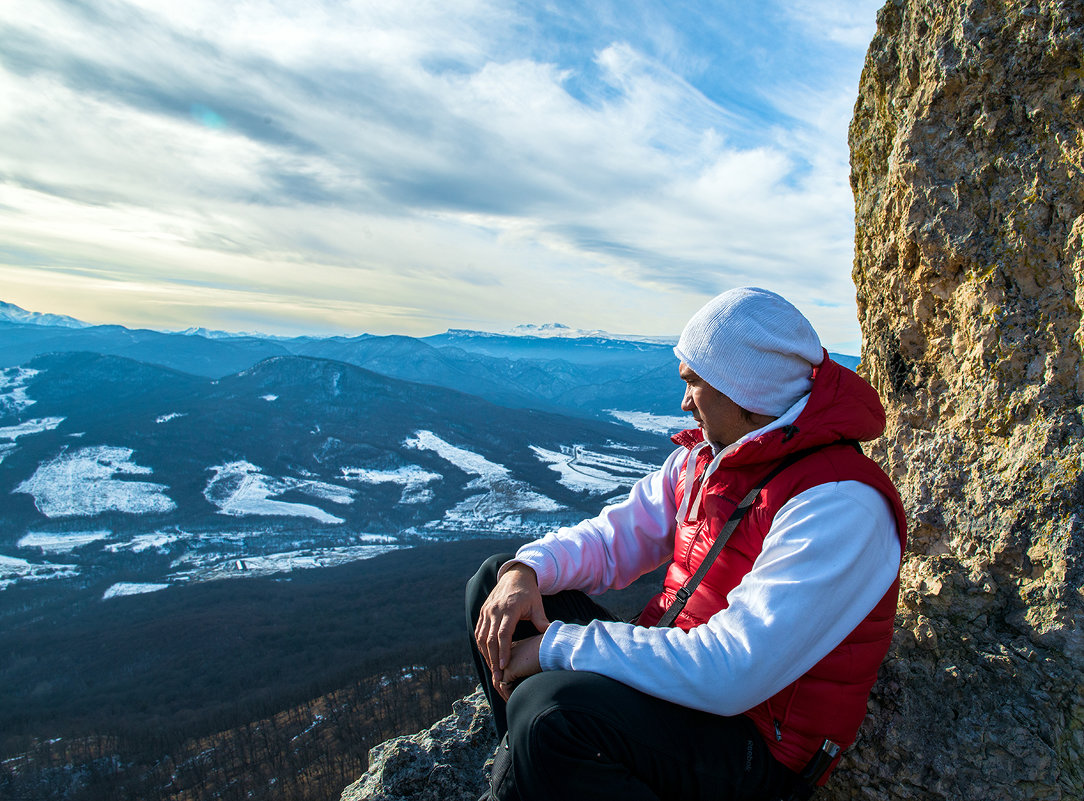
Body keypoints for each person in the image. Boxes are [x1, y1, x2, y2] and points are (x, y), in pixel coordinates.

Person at [466, 287, 906, 801]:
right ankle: (534, 779)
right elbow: (612, 542)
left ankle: (533, 769)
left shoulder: (839, 503)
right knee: (496, 585)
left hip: (757, 743)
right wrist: (529, 570)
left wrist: (559, 647)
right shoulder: (709, 460)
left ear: (745, 391)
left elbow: (732, 672)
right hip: (685, 682)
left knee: (551, 712)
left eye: (694, 382)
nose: (683, 402)